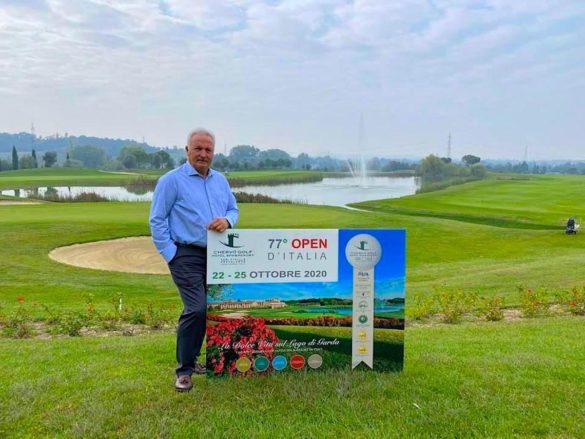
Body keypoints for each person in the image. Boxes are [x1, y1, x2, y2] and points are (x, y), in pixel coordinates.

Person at [149, 128, 239, 392]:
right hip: (185, 253)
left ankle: (203, 359)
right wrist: (171, 254)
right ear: (187, 150)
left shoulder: (220, 180)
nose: (203, 154)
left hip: (218, 253)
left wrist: (228, 220)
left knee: (212, 309)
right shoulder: (171, 181)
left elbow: (233, 208)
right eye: (197, 148)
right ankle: (185, 370)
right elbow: (157, 220)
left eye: (208, 150)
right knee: (197, 308)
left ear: (214, 153)